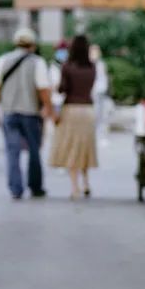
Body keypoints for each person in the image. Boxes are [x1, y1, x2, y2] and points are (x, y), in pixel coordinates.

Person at [0, 26, 53, 199]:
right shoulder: (37, 62)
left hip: (9, 111)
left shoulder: (3, 60)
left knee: (12, 150)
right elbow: (43, 89)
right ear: (32, 44)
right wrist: (49, 108)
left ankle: (15, 188)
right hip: (30, 112)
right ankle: (35, 186)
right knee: (34, 150)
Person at [49, 32, 99, 199]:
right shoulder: (92, 67)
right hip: (88, 110)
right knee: (85, 148)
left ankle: (74, 187)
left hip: (71, 109)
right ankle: (86, 183)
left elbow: (63, 89)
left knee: (72, 148)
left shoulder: (67, 67)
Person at [89, 43, 111, 146]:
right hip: (91, 94)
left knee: (102, 116)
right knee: (93, 116)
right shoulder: (88, 65)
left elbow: (104, 78)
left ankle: (102, 137)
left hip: (101, 92)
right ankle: (92, 137)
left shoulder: (101, 64)